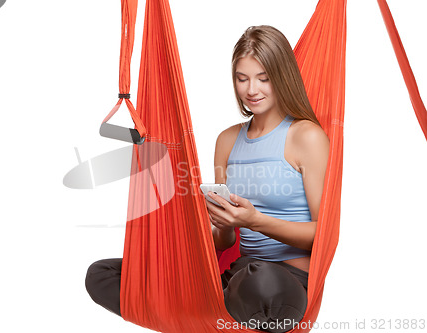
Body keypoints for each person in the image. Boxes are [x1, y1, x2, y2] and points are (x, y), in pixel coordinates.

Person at [85, 25, 329, 333]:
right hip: (238, 280)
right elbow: (224, 240)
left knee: (263, 286)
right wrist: (223, 222)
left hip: (284, 282)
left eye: (263, 78)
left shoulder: (306, 136)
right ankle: (205, 311)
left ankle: (208, 311)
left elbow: (323, 234)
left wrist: (254, 221)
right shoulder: (227, 140)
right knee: (102, 274)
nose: (251, 89)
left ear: (282, 77)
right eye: (242, 79)